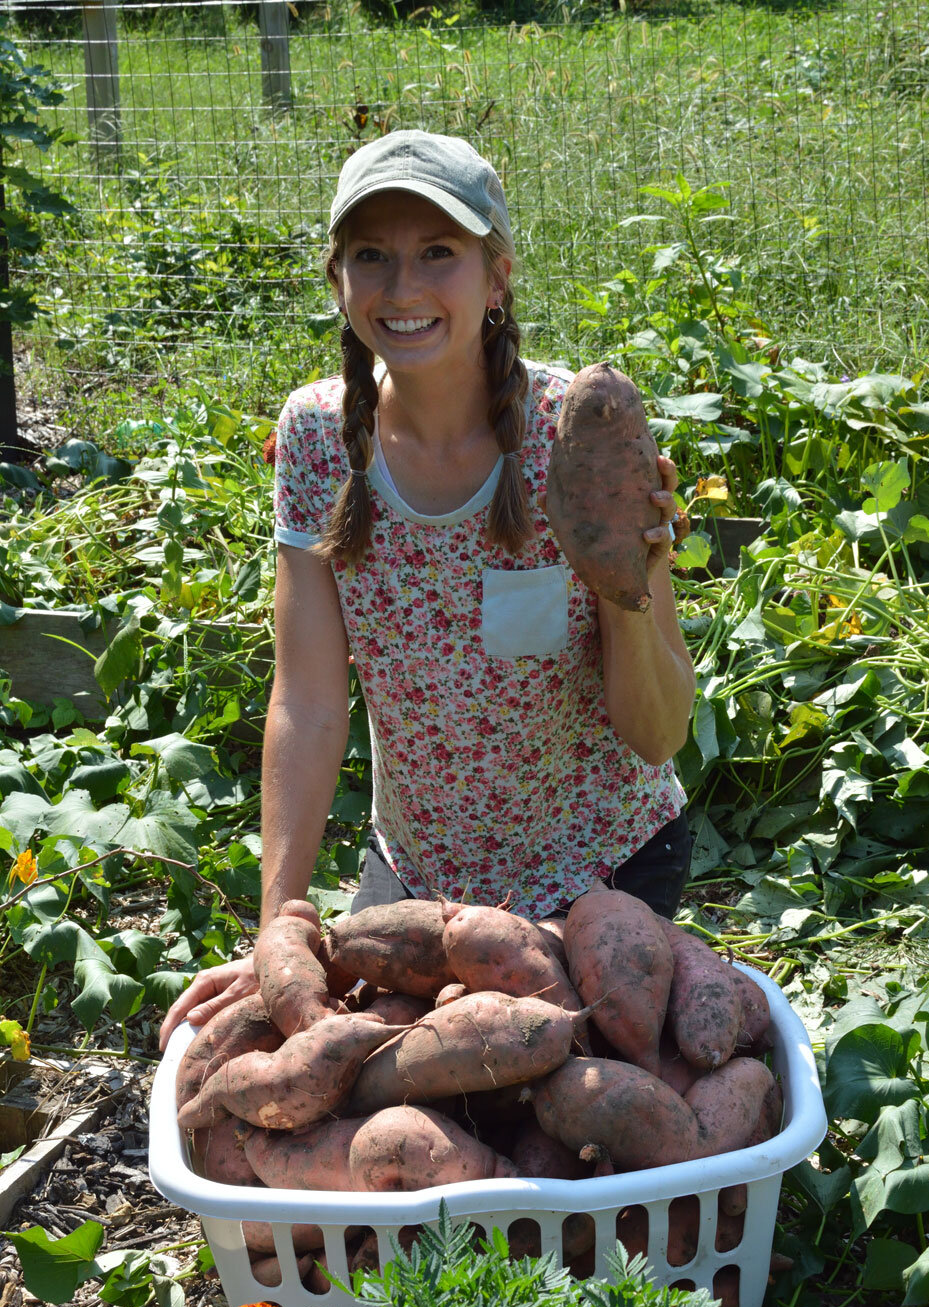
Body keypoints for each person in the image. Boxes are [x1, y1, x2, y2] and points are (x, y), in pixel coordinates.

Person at [159, 130, 695, 1050]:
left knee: (569, 1099)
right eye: (372, 257)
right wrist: (278, 931)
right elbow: (311, 700)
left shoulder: (575, 435)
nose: (401, 289)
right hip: (418, 879)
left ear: (497, 277)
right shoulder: (321, 437)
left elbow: (655, 736)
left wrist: (631, 579)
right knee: (361, 1089)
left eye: (437, 253)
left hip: (604, 863)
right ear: (338, 280)